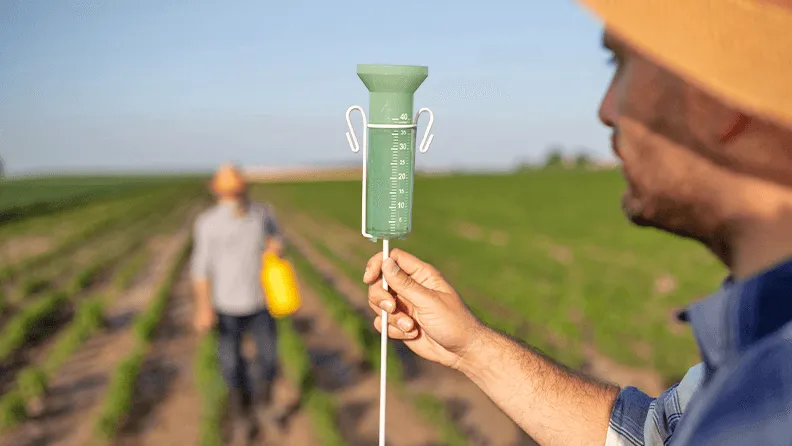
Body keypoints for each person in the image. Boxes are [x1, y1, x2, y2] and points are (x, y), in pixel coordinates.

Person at [363, 1, 792, 445]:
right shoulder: (755, 357)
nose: (606, 109)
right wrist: (472, 347)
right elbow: (648, 438)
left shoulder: (770, 407)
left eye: (622, 62)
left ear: (718, 98)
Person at [190, 163, 284, 444]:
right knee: (232, 366)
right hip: (225, 306)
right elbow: (200, 269)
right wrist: (203, 307)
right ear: (217, 191)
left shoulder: (263, 214)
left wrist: (277, 247)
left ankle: (265, 406)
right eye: (227, 190)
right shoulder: (207, 223)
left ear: (244, 188)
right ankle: (242, 415)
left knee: (268, 359)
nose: (233, 195)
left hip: (261, 302)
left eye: (237, 188)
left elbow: (278, 241)